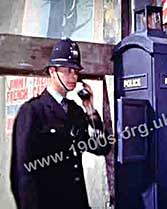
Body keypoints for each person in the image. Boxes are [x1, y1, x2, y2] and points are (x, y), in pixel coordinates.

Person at [10, 38, 111, 209]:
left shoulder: (76, 111)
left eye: (76, 71)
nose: (74, 76)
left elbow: (102, 147)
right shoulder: (33, 112)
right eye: (69, 70)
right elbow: (21, 175)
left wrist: (90, 108)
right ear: (52, 71)